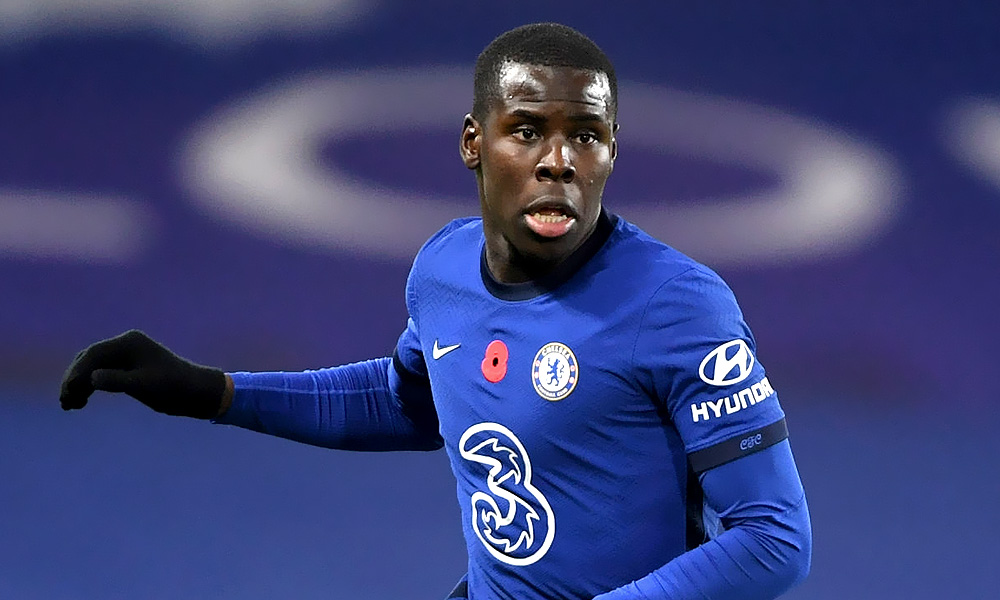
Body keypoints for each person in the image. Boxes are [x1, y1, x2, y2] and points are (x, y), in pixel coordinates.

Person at [60, 23, 811, 600]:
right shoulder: (444, 268)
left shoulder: (675, 305)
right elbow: (410, 401)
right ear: (473, 143)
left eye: (586, 136)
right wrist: (214, 392)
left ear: (612, 151)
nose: (559, 161)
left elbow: (774, 538)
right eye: (527, 131)